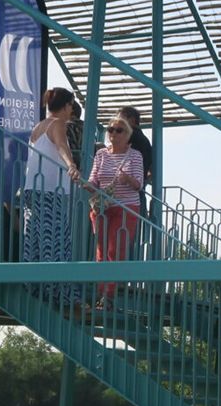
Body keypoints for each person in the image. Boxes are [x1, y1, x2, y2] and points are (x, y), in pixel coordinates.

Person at [21, 88, 82, 306]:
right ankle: (58, 290)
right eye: (71, 105)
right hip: (49, 190)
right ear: (66, 106)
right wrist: (71, 165)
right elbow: (62, 146)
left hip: (34, 187)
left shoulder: (38, 126)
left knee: (36, 238)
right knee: (56, 238)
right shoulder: (57, 124)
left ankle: (35, 286)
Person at [85, 117, 145, 307]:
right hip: (103, 207)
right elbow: (94, 179)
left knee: (114, 249)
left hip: (126, 207)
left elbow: (139, 184)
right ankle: (101, 291)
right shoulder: (101, 154)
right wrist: (85, 183)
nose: (113, 133)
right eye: (111, 129)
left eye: (119, 130)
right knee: (101, 250)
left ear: (128, 135)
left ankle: (108, 295)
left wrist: (127, 179)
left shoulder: (135, 155)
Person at [117, 105, 154, 248]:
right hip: (138, 191)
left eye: (120, 119)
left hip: (125, 192)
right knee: (132, 237)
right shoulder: (144, 140)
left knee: (120, 237)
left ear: (131, 120)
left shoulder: (130, 137)